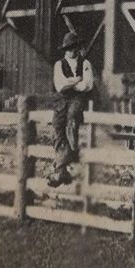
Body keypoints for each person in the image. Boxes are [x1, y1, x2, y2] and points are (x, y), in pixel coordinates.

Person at [47, 30, 94, 188]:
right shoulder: (59, 65)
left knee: (72, 121)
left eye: (74, 47)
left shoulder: (86, 64)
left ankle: (63, 165)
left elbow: (87, 85)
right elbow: (60, 86)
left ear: (78, 48)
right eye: (69, 48)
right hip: (62, 100)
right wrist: (76, 80)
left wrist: (70, 83)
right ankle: (63, 170)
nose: (72, 51)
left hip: (78, 100)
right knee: (57, 129)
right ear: (65, 50)